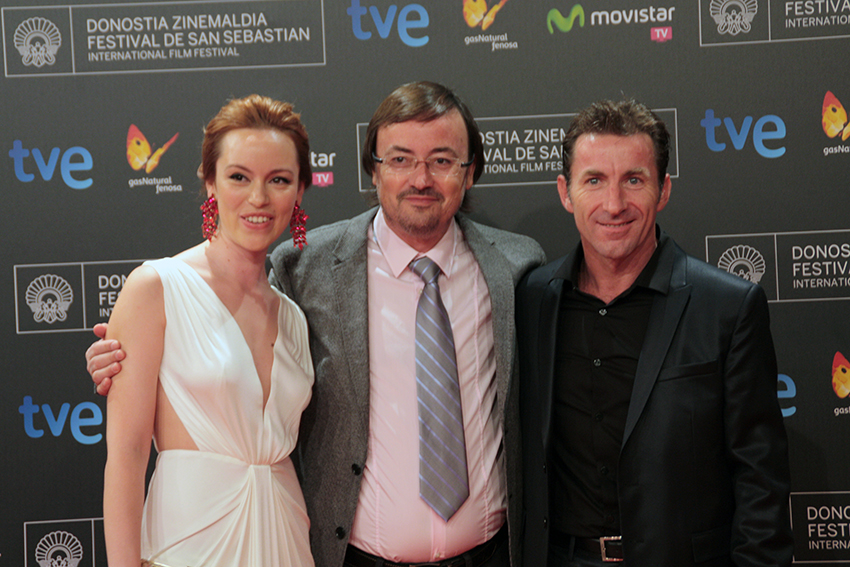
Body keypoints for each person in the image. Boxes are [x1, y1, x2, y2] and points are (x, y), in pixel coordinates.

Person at [88, 81, 546, 567]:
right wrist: (118, 358)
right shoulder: (303, 271)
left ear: (469, 171)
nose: (420, 178)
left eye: (442, 160)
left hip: (479, 554)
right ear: (374, 169)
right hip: (312, 553)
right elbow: (132, 446)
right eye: (400, 159)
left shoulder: (516, 266)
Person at [517, 99, 793, 567]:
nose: (614, 204)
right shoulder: (534, 299)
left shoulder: (728, 306)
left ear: (662, 190)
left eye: (634, 180)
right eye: (594, 180)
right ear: (566, 192)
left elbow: (760, 480)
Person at [101, 94, 315, 567]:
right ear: (210, 182)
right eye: (239, 177)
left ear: (300, 191)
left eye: (278, 180)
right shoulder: (155, 288)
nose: (258, 198)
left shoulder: (293, 317)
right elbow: (128, 456)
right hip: (190, 547)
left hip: (287, 543)